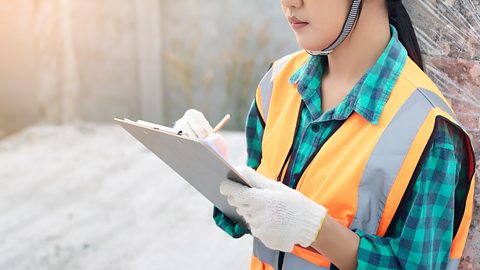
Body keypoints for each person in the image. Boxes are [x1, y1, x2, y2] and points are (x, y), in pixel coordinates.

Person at [173, 0, 476, 269]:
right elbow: (248, 218)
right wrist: (209, 166)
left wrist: (316, 230)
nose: (289, 3)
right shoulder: (277, 82)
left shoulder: (428, 131)